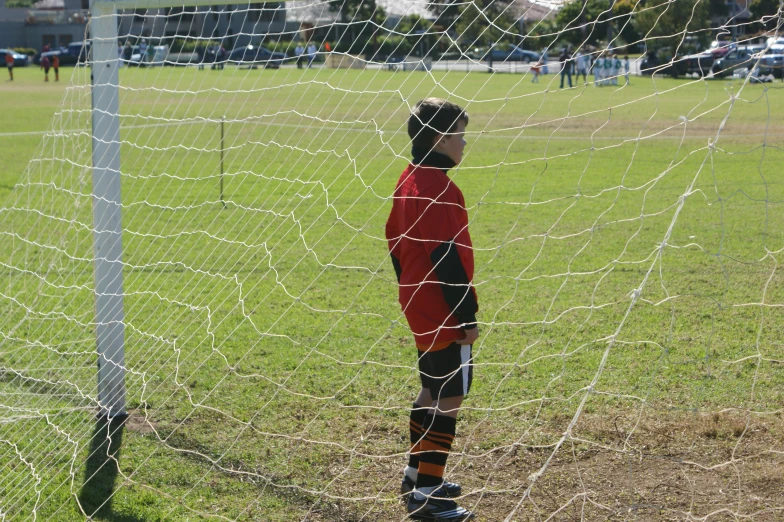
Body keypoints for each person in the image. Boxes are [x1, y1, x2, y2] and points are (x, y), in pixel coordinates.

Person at [385, 98, 478, 521]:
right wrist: (467, 316)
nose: (463, 144)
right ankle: (428, 493)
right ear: (440, 139)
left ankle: (414, 473)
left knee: (431, 387)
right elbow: (447, 258)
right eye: (459, 135)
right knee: (450, 395)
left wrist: (409, 290)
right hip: (442, 306)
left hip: (417, 300)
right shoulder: (441, 188)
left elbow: (394, 244)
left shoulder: (409, 178)